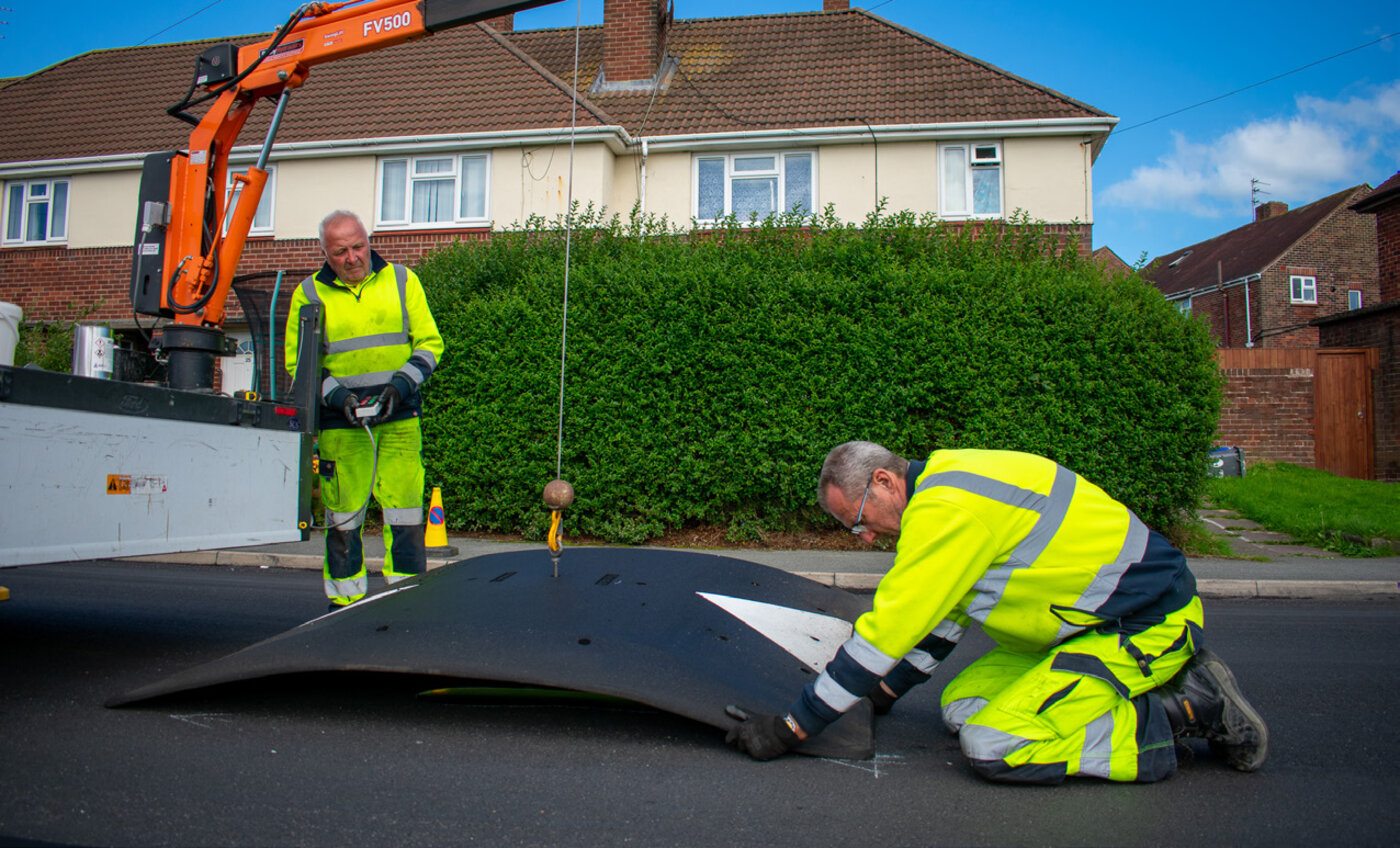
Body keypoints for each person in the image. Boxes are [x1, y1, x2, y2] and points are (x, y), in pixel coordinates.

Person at [727, 441, 1268, 783]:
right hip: (1087, 630)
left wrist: (793, 728)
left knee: (994, 746)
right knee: (962, 706)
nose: (864, 535)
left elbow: (885, 633)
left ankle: (1183, 709)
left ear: (885, 481)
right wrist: (881, 695)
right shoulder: (950, 479)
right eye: (853, 529)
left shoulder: (945, 512)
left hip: (1144, 624)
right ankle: (1133, 694)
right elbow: (943, 623)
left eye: (859, 519)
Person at [284, 210, 445, 610]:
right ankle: (344, 605)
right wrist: (339, 397)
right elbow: (299, 363)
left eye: (359, 246)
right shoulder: (309, 294)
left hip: (399, 417)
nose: (353, 257)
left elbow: (429, 344)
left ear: (369, 241)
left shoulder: (402, 280)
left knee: (406, 515)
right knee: (342, 520)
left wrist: (400, 386)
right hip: (341, 424)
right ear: (324, 252)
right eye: (341, 251)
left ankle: (408, 599)